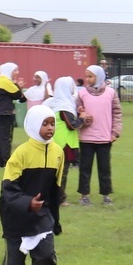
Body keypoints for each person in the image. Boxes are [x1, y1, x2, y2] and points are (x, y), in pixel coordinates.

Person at [0, 105, 65, 265]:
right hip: (15, 214)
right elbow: (8, 189)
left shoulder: (58, 153)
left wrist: (55, 220)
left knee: (47, 257)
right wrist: (28, 203)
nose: (50, 128)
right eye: (45, 123)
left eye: (52, 123)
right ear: (34, 125)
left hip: (42, 214)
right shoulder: (21, 153)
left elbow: (55, 190)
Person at [75, 65, 122, 206]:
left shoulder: (111, 93)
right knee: (85, 168)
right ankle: (84, 195)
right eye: (86, 76)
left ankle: (106, 195)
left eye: (90, 76)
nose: (87, 79)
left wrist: (115, 132)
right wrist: (81, 113)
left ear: (99, 76)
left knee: (104, 168)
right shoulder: (82, 93)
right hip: (86, 138)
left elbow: (117, 113)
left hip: (104, 138)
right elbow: (77, 111)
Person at [43, 76, 90, 206]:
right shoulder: (63, 106)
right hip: (63, 144)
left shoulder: (57, 103)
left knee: (58, 172)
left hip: (59, 143)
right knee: (61, 173)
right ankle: (59, 199)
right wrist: (81, 118)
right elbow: (72, 124)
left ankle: (55, 197)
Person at [0, 62, 26, 168]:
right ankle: (6, 162)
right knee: (5, 138)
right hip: (4, 114)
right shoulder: (6, 81)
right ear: (9, 71)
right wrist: (19, 86)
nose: (17, 73)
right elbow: (19, 96)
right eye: (15, 70)